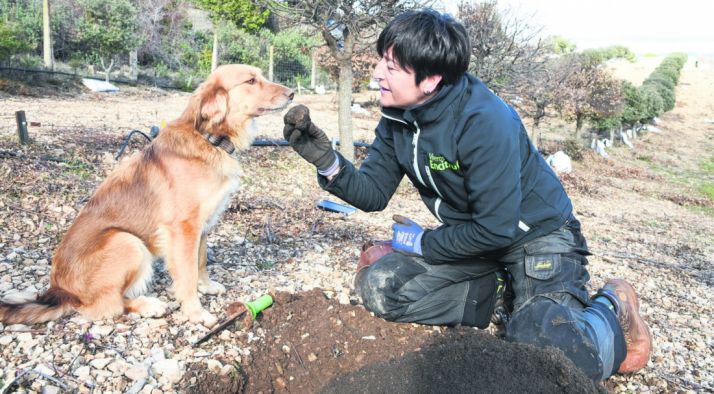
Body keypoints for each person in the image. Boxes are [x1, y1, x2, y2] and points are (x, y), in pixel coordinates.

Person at [282, 9, 651, 381]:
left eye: (391, 67)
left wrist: (420, 243)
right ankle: (506, 292)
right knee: (381, 287)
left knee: (547, 349)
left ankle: (611, 309)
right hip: (477, 238)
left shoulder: (483, 121)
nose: (377, 72)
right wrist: (329, 163)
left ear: (431, 80)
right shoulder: (398, 116)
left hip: (536, 236)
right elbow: (374, 194)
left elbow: (497, 227)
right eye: (381, 60)